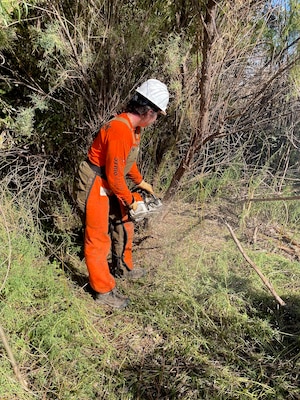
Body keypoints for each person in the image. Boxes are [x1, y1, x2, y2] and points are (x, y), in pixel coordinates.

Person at [74, 79, 169, 309]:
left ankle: (123, 267)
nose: (155, 120)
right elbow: (116, 177)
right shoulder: (119, 129)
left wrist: (140, 182)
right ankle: (103, 290)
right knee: (97, 238)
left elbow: (126, 163)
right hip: (96, 181)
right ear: (148, 111)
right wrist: (130, 201)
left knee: (124, 221)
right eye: (156, 115)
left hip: (109, 179)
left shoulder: (133, 129)